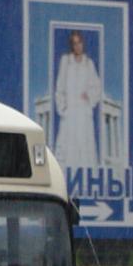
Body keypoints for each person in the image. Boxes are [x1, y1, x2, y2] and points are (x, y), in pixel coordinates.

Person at [52, 30, 102, 175]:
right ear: (72, 46)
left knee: (85, 147)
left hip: (84, 112)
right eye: (74, 43)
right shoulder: (66, 61)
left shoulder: (89, 63)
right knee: (68, 147)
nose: (77, 46)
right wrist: (63, 108)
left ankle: (87, 177)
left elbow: (96, 87)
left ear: (83, 44)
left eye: (79, 42)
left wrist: (90, 96)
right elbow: (60, 87)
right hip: (70, 113)